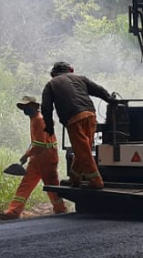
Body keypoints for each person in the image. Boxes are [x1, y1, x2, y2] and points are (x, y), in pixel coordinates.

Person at [41, 61, 116, 189]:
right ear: (70, 70)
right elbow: (99, 90)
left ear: (54, 73)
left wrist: (49, 126)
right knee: (83, 149)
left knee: (82, 151)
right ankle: (75, 178)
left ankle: (96, 181)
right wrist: (111, 100)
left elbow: (46, 108)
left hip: (74, 118)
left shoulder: (51, 84)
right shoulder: (80, 78)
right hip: (90, 115)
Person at [0, 96, 67, 220]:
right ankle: (13, 212)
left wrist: (26, 155)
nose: (25, 109)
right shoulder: (35, 119)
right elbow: (36, 143)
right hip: (37, 159)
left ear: (34, 106)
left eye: (27, 106)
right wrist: (28, 155)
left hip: (47, 159)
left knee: (52, 186)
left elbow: (40, 145)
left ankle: (61, 210)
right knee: (25, 184)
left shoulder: (39, 120)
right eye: (24, 107)